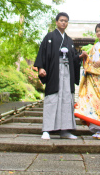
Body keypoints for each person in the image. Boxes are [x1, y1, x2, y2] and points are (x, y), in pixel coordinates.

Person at [34, 12, 81, 140]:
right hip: (54, 72)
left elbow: (74, 58)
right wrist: (41, 68)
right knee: (52, 99)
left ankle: (65, 130)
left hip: (67, 73)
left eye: (66, 21)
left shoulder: (69, 40)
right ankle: (46, 130)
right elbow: (42, 53)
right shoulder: (49, 37)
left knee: (67, 100)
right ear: (56, 22)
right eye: (61, 20)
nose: (63, 23)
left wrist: (79, 57)